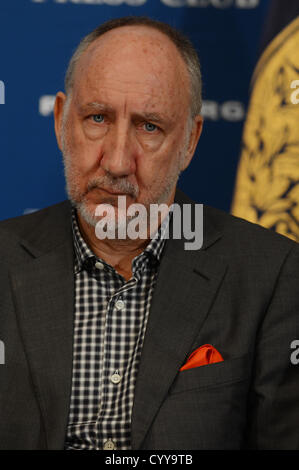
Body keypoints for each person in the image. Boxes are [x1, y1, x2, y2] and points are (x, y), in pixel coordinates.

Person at [0, 16, 299, 451]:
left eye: (149, 126)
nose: (119, 161)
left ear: (190, 141)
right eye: (98, 118)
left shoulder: (271, 275)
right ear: (62, 120)